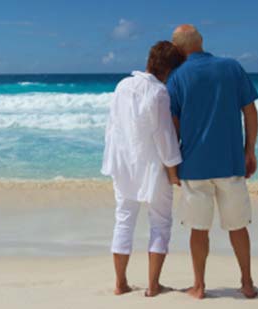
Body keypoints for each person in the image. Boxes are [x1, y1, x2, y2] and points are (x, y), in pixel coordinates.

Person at [167, 24, 258, 299]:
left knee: (198, 229)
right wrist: (249, 150)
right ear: (201, 42)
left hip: (194, 166)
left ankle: (199, 286)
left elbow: (173, 128)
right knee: (238, 226)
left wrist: (171, 166)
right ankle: (246, 282)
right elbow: (250, 111)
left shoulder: (177, 77)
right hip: (230, 163)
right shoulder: (231, 67)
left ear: (177, 48)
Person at [101, 41, 184, 297]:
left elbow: (112, 126)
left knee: (124, 220)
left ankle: (120, 284)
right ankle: (153, 286)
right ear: (170, 70)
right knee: (160, 222)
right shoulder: (159, 92)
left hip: (123, 162)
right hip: (151, 165)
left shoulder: (122, 85)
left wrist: (112, 160)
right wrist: (173, 168)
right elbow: (164, 134)